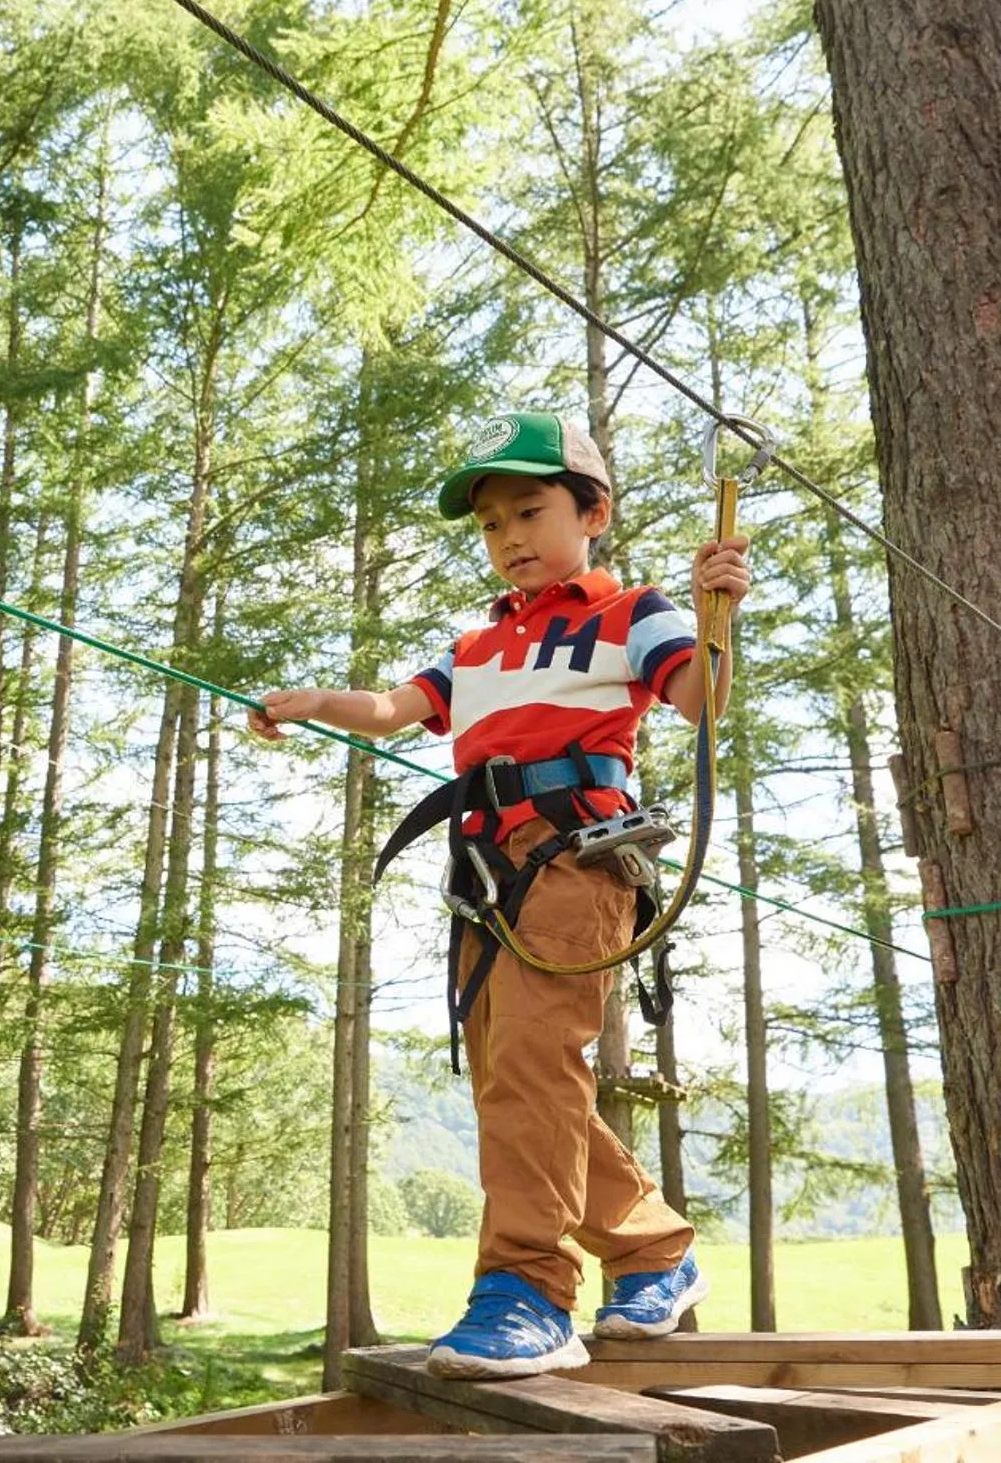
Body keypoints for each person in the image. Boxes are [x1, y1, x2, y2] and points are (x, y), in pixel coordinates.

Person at [248, 411, 750, 1379]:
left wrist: (715, 611)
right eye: (490, 524)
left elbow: (699, 700)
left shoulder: (631, 612)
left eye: (530, 510)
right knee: (514, 1080)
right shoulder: (475, 644)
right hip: (485, 873)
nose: (510, 536)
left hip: (575, 860)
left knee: (530, 1065)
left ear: (590, 511)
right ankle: (652, 1248)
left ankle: (529, 1290)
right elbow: (396, 710)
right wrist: (313, 704)